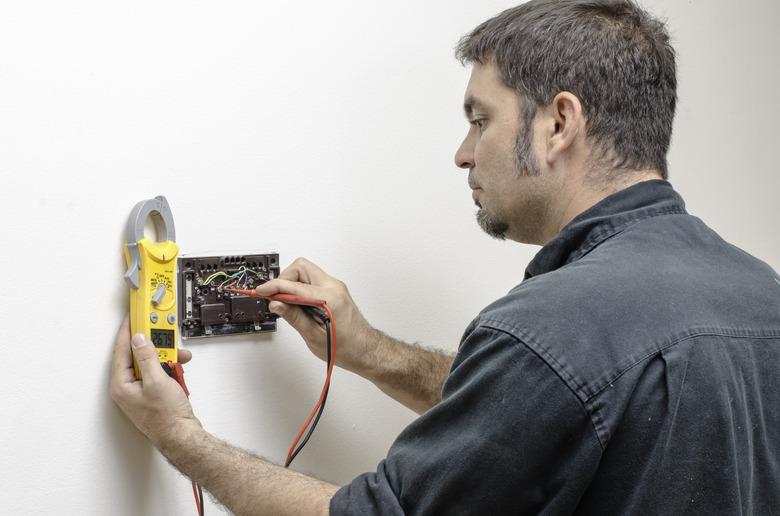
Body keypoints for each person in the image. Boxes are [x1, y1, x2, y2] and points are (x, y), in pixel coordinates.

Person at [110, 0, 780, 514]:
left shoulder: (550, 328)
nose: (463, 152)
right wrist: (370, 350)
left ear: (558, 123)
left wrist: (179, 437)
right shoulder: (762, 296)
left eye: (480, 119)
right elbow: (550, 409)